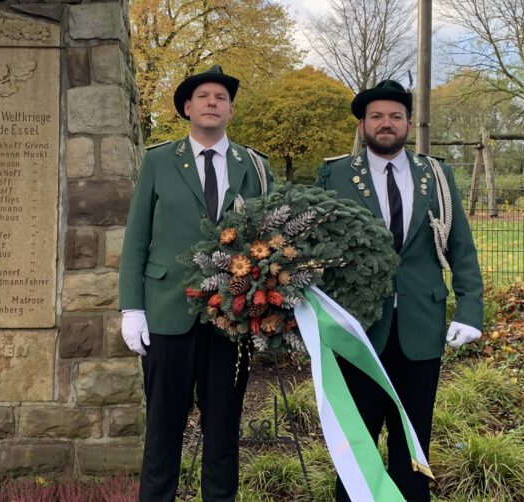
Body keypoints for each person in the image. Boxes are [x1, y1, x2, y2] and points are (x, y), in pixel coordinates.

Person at [315, 79, 484, 502]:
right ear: (362, 125)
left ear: (408, 123)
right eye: (376, 117)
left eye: (395, 116)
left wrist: (470, 309)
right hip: (358, 331)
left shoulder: (437, 176)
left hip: (419, 328)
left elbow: (460, 245)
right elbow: (312, 248)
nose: (386, 123)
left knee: (412, 443)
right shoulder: (334, 174)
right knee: (358, 441)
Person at [119, 65, 274, 502]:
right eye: (203, 96)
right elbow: (137, 239)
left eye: (220, 98)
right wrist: (132, 307)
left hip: (232, 317)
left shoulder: (256, 167)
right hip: (168, 313)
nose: (212, 102)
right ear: (187, 108)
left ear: (230, 110)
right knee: (163, 430)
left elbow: (272, 241)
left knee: (223, 429)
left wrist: (268, 310)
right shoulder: (158, 160)